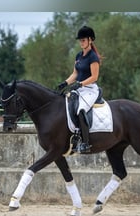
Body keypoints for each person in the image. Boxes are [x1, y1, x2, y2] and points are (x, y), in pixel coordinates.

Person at [58, 25, 102, 153]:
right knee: (67, 105)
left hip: (90, 89)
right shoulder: (78, 56)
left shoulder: (93, 57)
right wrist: (65, 83)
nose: (81, 42)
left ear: (90, 40)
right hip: (80, 88)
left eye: (83, 40)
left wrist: (81, 84)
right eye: (80, 40)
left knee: (81, 109)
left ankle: (85, 143)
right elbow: (75, 74)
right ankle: (75, 135)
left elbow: (94, 77)